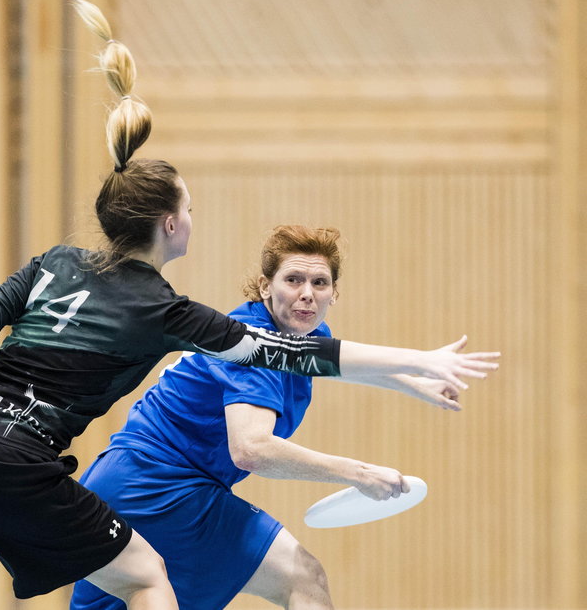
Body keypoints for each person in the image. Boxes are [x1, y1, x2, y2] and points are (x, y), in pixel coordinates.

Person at [0, 0, 499, 610]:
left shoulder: (56, 264)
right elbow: (293, 360)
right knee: (146, 581)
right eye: (192, 209)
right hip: (11, 457)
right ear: (170, 224)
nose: (196, 220)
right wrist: (416, 358)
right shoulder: (166, 311)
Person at [69, 225, 496, 610]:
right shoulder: (251, 342)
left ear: (334, 293)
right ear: (265, 286)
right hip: (157, 485)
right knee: (302, 577)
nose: (306, 292)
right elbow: (252, 450)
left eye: (319, 282)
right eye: (293, 280)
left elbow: (341, 364)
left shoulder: (305, 337)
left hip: (128, 485)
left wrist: (413, 383)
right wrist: (358, 473)